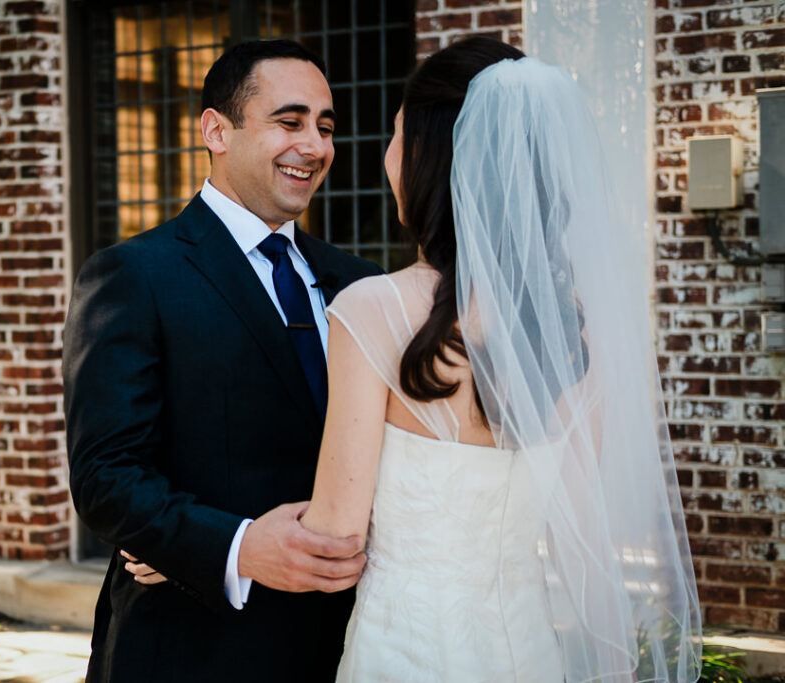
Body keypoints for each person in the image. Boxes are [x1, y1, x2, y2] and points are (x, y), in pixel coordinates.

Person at [300, 37, 704, 681]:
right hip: (526, 654)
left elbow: (336, 533)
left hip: (400, 654)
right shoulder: (576, 327)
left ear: (435, 157)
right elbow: (582, 549)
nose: (387, 157)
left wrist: (225, 537)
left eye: (398, 134)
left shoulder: (372, 310)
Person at [62, 39, 382, 682]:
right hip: (194, 647)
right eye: (289, 122)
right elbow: (106, 476)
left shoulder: (361, 286)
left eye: (325, 127)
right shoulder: (133, 274)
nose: (315, 147)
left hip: (350, 645)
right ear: (217, 130)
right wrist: (229, 547)